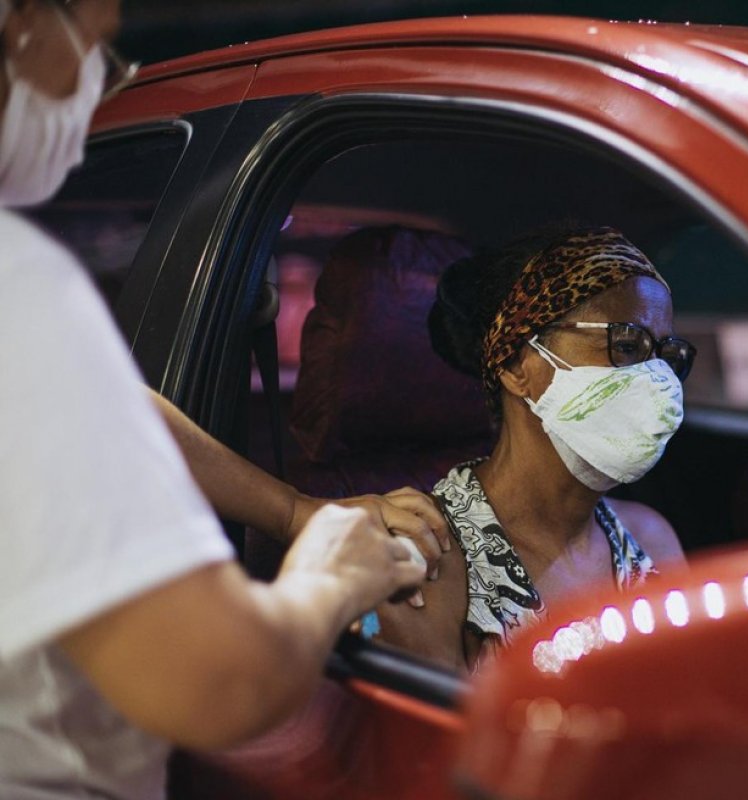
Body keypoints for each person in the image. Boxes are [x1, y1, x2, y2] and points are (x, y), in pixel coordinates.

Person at [0, 2, 443, 797]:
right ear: (24, 23)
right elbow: (220, 685)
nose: (102, 82)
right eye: (97, 47)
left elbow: (111, 407)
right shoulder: (21, 293)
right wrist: (331, 576)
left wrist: (290, 511)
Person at [365, 225, 691, 671]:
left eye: (666, 356)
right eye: (626, 345)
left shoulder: (652, 540)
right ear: (519, 364)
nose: (658, 380)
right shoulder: (430, 555)